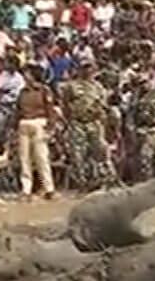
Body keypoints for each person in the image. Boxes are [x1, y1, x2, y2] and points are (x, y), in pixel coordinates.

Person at [60, 59, 116, 189]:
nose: (87, 70)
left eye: (90, 68)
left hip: (94, 123)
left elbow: (103, 105)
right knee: (78, 155)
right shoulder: (71, 86)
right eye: (84, 68)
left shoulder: (99, 87)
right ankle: (82, 182)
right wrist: (70, 120)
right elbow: (65, 104)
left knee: (99, 151)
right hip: (78, 123)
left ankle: (101, 179)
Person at [16, 65, 56, 200]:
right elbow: (18, 110)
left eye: (27, 73)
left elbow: (50, 109)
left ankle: (48, 188)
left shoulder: (44, 90)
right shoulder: (22, 92)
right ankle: (26, 189)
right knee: (24, 159)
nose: (25, 76)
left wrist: (51, 127)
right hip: (24, 123)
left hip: (39, 123)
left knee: (41, 157)